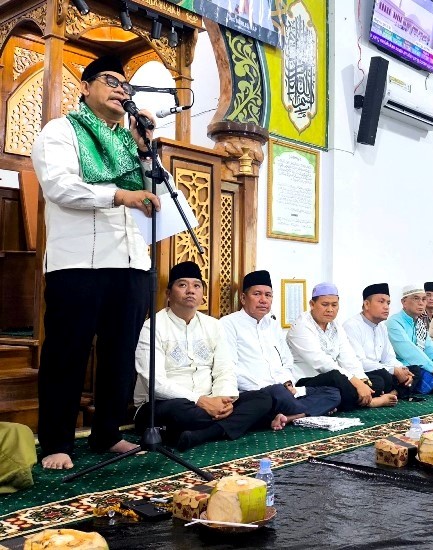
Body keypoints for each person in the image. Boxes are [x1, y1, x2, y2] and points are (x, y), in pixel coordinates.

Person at [31, 55, 163, 469]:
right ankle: (56, 441)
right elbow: (60, 187)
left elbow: (154, 195)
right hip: (78, 265)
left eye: (126, 85)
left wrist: (146, 150)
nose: (121, 89)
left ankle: (106, 434)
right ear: (85, 87)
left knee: (121, 353)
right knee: (67, 354)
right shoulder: (61, 131)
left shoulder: (128, 141)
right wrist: (119, 196)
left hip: (129, 261)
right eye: (111, 80)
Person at [133, 262, 283, 451]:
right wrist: (200, 401)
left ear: (202, 294)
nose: (190, 291)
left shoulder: (213, 325)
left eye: (196, 286)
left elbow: (224, 368)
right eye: (182, 285)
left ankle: (200, 435)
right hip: (162, 404)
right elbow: (155, 383)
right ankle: (226, 426)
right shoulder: (152, 326)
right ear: (168, 294)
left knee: (263, 399)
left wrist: (222, 399)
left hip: (210, 400)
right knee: (182, 412)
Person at [220, 270, 341, 422]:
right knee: (272, 397)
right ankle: (301, 411)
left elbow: (287, 361)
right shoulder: (228, 324)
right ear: (243, 298)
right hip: (255, 393)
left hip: (282, 390)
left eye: (268, 295)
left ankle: (290, 416)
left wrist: (287, 383)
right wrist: (272, 387)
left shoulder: (272, 324)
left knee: (333, 393)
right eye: (257, 294)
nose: (263, 300)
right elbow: (229, 368)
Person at [287, 283, 397, 408]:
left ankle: (358, 398)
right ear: (312, 304)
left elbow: (348, 356)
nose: (330, 309)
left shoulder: (335, 326)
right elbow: (321, 362)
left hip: (337, 378)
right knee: (336, 377)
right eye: (325, 304)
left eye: (334, 305)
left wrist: (362, 380)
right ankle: (371, 402)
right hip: (307, 379)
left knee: (377, 380)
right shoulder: (301, 326)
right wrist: (354, 381)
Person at [343, 283, 421, 399]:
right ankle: (397, 392)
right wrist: (392, 370)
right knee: (381, 379)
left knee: (415, 371)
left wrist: (402, 370)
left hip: (382, 369)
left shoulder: (382, 327)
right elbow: (359, 362)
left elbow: (389, 357)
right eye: (381, 302)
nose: (386, 307)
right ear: (367, 304)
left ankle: (392, 394)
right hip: (363, 373)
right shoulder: (351, 326)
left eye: (388, 303)